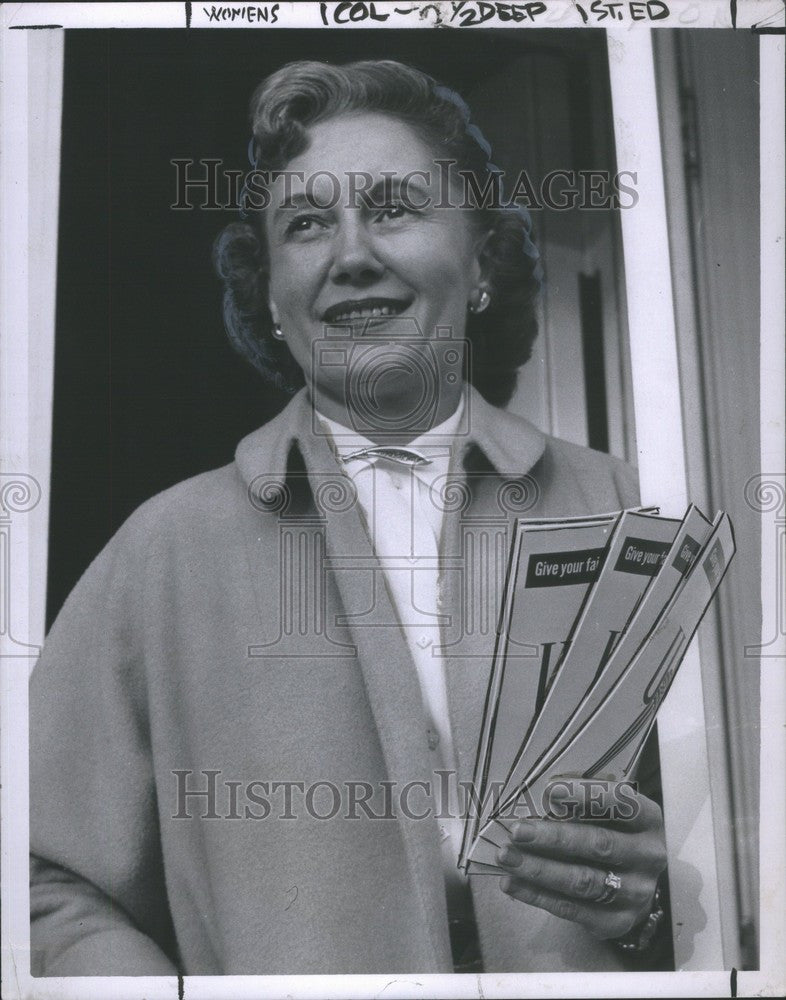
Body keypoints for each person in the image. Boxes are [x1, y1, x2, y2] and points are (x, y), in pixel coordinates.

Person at [30, 59, 669, 976]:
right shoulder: (164, 551)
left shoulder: (622, 511)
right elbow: (36, 873)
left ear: (481, 255)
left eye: (395, 207)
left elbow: (732, 842)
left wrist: (658, 913)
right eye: (305, 224)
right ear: (273, 298)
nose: (351, 254)